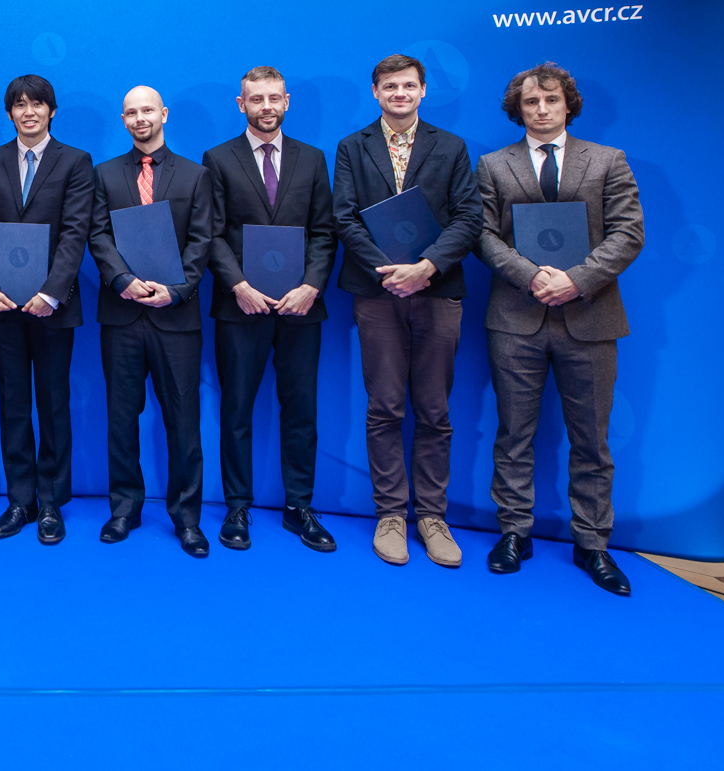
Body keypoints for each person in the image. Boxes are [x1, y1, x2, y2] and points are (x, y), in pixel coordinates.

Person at [475, 64, 644, 596]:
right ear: (518, 110)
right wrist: (532, 277)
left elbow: (629, 232)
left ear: (568, 104)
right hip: (516, 319)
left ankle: (592, 542)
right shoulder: (493, 165)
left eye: (551, 100)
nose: (542, 109)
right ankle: (513, 533)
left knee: (592, 441)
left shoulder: (608, 161)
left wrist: (576, 280)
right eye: (531, 102)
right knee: (513, 434)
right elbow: (482, 234)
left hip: (590, 319)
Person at [333, 55, 483, 568]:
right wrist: (387, 270)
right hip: (376, 293)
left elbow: (469, 216)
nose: (400, 93)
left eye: (410, 86)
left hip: (437, 291)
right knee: (386, 407)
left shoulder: (452, 146)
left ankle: (433, 517)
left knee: (435, 410)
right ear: (375, 91)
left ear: (423, 91)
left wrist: (426, 267)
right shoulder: (353, 148)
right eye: (390, 86)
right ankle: (391, 514)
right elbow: (344, 218)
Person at [203, 66, 338, 554]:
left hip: (302, 308)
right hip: (241, 307)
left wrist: (312, 287)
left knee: (300, 410)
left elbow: (325, 231)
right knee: (236, 409)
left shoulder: (313, 159)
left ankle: (299, 507)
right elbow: (212, 234)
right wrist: (237, 284)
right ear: (241, 105)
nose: (266, 106)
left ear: (286, 102)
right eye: (255, 99)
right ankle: (237, 506)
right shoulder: (217, 159)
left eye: (273, 98)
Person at [0, 75, 95, 544]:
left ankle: (52, 503)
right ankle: (20, 500)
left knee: (53, 403)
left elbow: (75, 232)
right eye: (19, 105)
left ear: (52, 111)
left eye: (37, 104)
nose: (28, 112)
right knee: (13, 402)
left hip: (52, 308)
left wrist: (50, 292)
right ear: (9, 114)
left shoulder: (76, 162)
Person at [89, 85, 213, 558]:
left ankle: (187, 519)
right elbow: (96, 235)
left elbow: (202, 241)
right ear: (123, 120)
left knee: (184, 421)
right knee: (122, 418)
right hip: (122, 314)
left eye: (148, 110)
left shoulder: (196, 175)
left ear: (163, 114)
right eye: (131, 112)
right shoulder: (105, 174)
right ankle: (124, 508)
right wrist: (122, 280)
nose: (140, 118)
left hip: (176, 316)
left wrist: (176, 290)